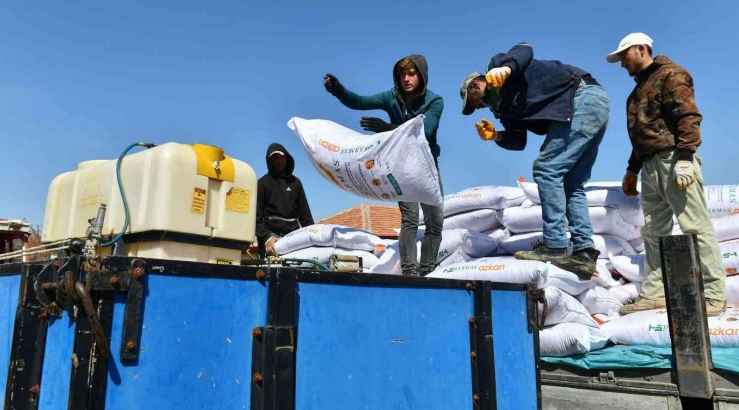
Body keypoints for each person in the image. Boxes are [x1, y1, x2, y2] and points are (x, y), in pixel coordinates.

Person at [461, 42, 609, 279]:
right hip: (588, 104)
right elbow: (518, 141)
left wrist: (506, 69)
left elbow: (524, 49)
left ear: (476, 84)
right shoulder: (502, 109)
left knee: (546, 168)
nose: (476, 107)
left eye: (472, 100)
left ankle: (555, 245)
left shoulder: (497, 66)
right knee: (572, 182)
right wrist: (496, 136)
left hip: (581, 97)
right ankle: (584, 252)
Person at [607, 32, 726, 316]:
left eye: (624, 55)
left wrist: (685, 158)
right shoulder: (636, 92)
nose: (622, 62)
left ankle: (713, 295)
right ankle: (656, 292)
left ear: (641, 49)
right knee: (653, 232)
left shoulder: (670, 75)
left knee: (695, 227)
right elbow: (642, 134)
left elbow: (688, 116)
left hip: (675, 161)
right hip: (650, 166)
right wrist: (632, 169)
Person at [323, 55, 444, 276]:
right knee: (409, 219)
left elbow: (424, 133)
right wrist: (339, 90)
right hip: (400, 168)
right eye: (402, 74)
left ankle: (428, 271)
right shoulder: (391, 97)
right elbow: (359, 101)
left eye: (411, 73)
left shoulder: (434, 101)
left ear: (421, 76)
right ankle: (409, 272)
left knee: (435, 221)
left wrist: (387, 128)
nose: (406, 78)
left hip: (426, 167)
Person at [256, 143, 314, 258]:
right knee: (272, 270)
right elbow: (255, 217)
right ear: (270, 160)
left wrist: (312, 235)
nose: (279, 160)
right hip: (271, 236)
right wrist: (266, 237)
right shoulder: (262, 183)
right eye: (275, 157)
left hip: (293, 234)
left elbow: (305, 216)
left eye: (282, 157)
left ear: (287, 159)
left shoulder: (295, 183)